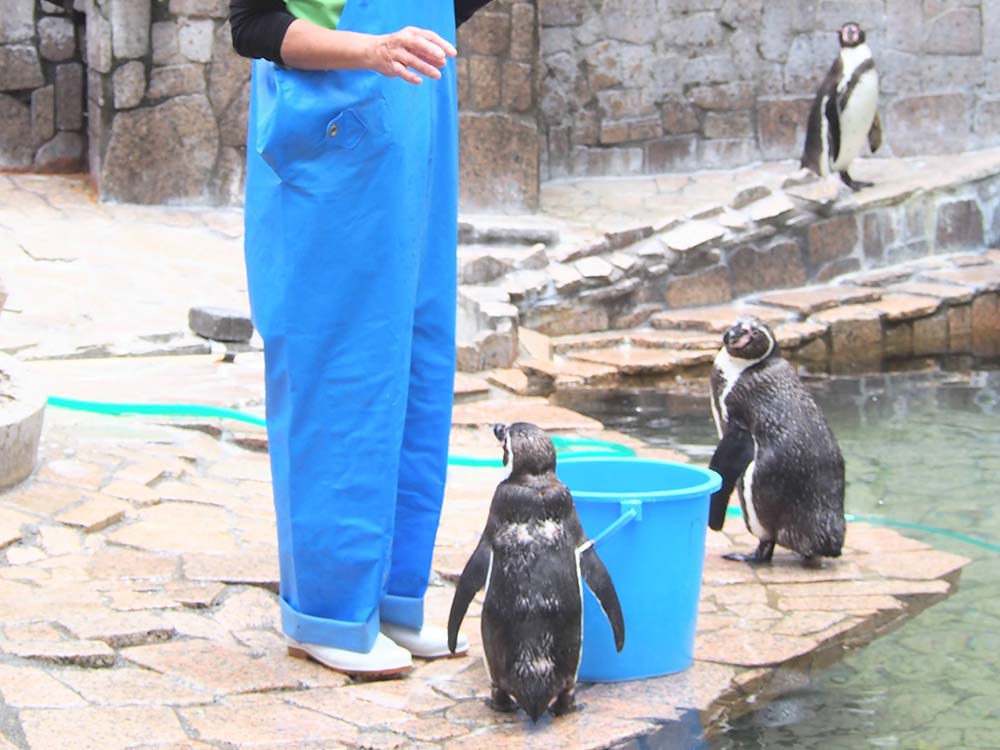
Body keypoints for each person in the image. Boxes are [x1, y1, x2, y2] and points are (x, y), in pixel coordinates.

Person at [229, 0, 491, 677]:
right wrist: (370, 51)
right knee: (340, 371)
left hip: (410, 120)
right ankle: (330, 611)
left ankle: (392, 597)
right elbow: (253, 24)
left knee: (416, 359)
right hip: (333, 128)